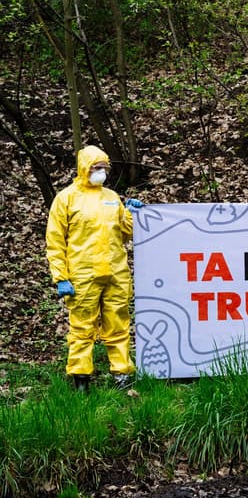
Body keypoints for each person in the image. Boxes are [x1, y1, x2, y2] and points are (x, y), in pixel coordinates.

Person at [45, 145, 144, 391]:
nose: (101, 172)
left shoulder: (111, 197)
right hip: (82, 274)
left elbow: (125, 234)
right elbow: (55, 241)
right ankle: (81, 378)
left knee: (119, 324)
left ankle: (122, 374)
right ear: (84, 167)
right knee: (82, 328)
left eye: (104, 168)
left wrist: (131, 214)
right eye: (97, 167)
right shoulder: (66, 198)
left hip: (115, 273)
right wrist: (60, 277)